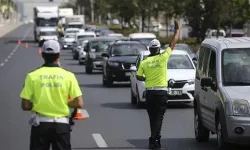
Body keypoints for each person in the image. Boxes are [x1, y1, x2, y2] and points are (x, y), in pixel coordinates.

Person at [20, 40, 83, 150]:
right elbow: (79, 103)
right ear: (58, 55)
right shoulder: (69, 76)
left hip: (40, 125)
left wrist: (37, 104)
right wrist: (64, 103)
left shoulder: (32, 76)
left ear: (42, 55)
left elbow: (25, 105)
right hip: (61, 126)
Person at [136, 20, 179, 149]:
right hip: (161, 93)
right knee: (159, 118)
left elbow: (138, 76)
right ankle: (153, 140)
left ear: (150, 49)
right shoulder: (163, 58)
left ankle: (156, 139)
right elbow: (172, 44)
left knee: (152, 118)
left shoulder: (144, 62)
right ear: (159, 49)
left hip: (149, 93)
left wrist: (146, 78)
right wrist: (177, 31)